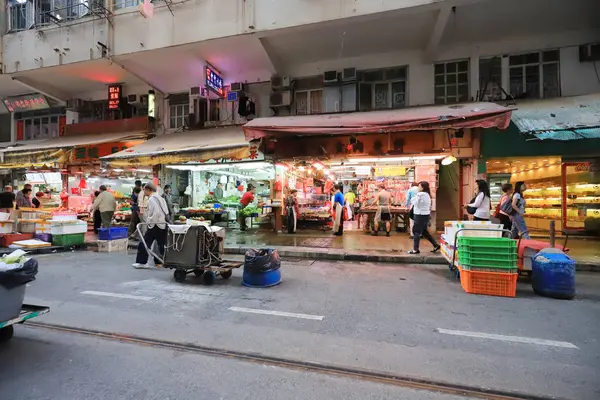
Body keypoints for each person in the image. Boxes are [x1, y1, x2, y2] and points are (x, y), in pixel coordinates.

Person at [133, 183, 169, 269]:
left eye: (145, 190)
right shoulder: (161, 198)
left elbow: (155, 213)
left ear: (149, 190)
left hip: (154, 225)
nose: (144, 191)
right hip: (162, 224)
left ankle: (142, 262)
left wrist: (149, 221)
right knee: (162, 244)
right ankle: (167, 261)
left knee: (144, 243)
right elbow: (166, 211)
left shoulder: (152, 199)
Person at [408, 181, 440, 254]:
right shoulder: (427, 194)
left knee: (416, 231)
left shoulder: (420, 194)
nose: (418, 188)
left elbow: (414, 202)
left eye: (419, 186)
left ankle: (415, 249)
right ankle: (435, 245)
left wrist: (413, 197)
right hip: (425, 215)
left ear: (422, 187)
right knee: (424, 231)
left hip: (419, 215)